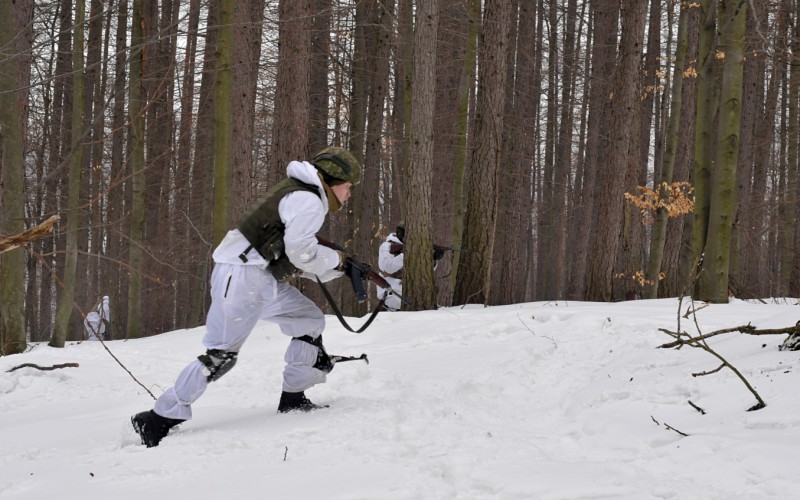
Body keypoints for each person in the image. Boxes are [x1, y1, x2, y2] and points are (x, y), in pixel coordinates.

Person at [131, 146, 362, 447]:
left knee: (308, 320)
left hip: (256, 277)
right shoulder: (308, 201)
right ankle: (157, 419)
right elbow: (302, 252)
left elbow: (290, 255)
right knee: (220, 355)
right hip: (242, 279)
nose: (349, 194)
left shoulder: (301, 194)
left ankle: (293, 397)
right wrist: (337, 261)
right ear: (333, 181)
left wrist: (340, 267)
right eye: (348, 187)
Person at [376, 221, 445, 311]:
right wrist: (407, 253)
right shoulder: (387, 246)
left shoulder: (414, 247)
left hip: (412, 297)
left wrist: (433, 259)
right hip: (391, 298)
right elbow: (387, 267)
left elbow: (424, 272)